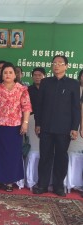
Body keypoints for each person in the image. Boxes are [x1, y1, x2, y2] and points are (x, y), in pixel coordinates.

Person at [33, 55, 80, 197]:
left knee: (61, 157)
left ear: (66, 66)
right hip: (46, 127)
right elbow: (39, 105)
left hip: (64, 128)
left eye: (60, 63)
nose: (56, 66)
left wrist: (74, 127)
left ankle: (59, 186)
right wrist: (38, 123)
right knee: (45, 156)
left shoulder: (73, 84)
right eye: (54, 63)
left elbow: (75, 108)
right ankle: (42, 185)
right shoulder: (45, 82)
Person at [0, 62, 32, 192]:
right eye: (5, 72)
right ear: (1, 74)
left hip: (15, 127)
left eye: (10, 72)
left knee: (12, 154)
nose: (7, 75)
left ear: (15, 75)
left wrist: (25, 123)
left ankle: (9, 181)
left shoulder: (22, 89)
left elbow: (26, 107)